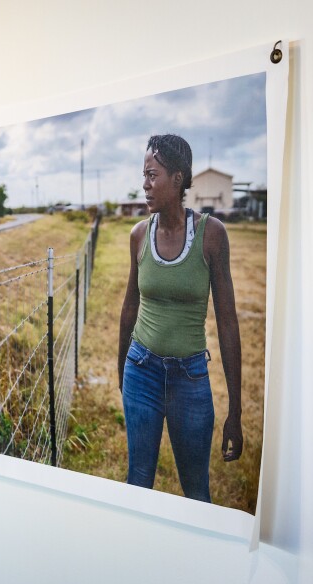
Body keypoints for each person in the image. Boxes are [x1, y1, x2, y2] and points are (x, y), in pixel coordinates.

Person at [117, 134, 243, 503]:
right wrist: (121, 366)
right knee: (138, 483)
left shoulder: (211, 235)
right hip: (141, 371)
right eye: (143, 174)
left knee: (196, 492)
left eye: (152, 174)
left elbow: (229, 323)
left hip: (190, 380)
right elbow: (129, 306)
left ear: (177, 178)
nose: (144, 184)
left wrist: (235, 411)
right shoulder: (138, 235)